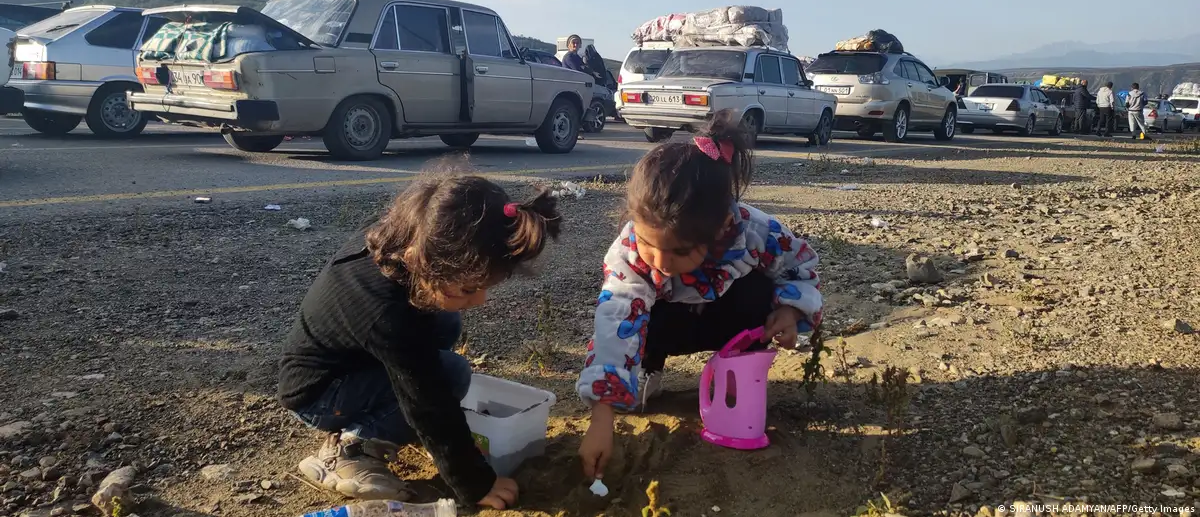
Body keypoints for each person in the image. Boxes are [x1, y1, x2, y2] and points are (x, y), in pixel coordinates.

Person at [277, 169, 562, 509]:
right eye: (469, 288)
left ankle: (383, 416)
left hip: (353, 359)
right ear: (417, 261)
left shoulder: (406, 233)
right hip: (319, 392)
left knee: (445, 324)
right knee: (451, 374)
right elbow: (428, 403)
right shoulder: (385, 314)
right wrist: (475, 482)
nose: (480, 300)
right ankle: (350, 447)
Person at [575, 109, 823, 480]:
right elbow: (616, 318)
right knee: (634, 308)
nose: (660, 262)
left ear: (722, 224)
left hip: (728, 324)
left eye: (679, 251)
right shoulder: (630, 253)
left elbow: (800, 268)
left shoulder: (757, 232)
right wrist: (602, 415)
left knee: (758, 288)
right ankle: (648, 367)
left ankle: (737, 374)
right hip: (667, 325)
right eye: (648, 244)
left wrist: (790, 311)